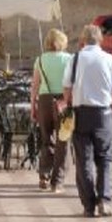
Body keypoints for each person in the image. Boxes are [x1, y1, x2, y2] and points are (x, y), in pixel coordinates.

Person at [63, 24, 112, 217]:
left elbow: (66, 87)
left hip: (81, 113)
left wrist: (70, 103)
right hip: (103, 113)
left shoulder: (75, 59)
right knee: (104, 158)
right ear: (100, 40)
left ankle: (88, 204)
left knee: (84, 161)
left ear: (82, 40)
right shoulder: (109, 59)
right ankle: (104, 200)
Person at [30, 28, 74, 192]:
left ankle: (44, 174)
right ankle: (58, 181)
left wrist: (32, 105)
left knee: (46, 138)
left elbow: (35, 84)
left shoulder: (40, 59)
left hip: (44, 100)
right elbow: (72, 83)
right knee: (63, 141)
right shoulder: (69, 59)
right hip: (63, 101)